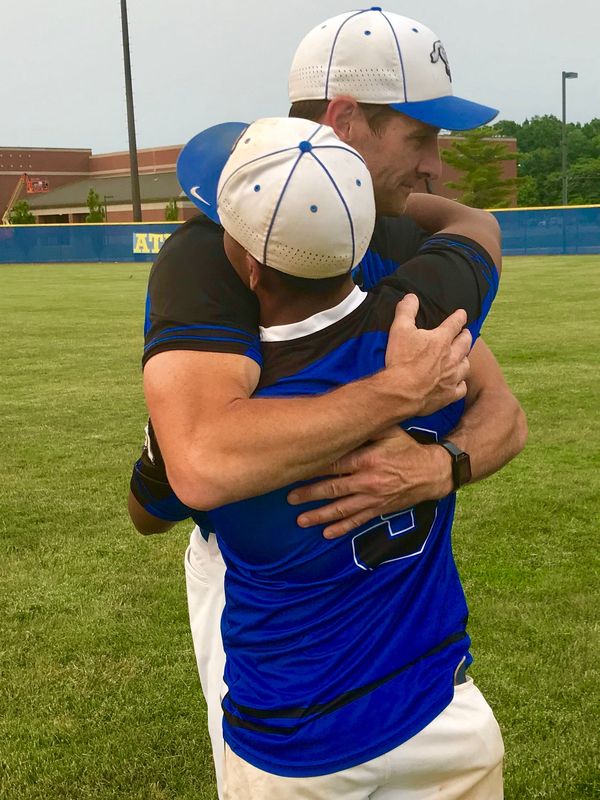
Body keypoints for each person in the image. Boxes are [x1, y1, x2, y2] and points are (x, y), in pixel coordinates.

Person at [132, 8, 526, 794]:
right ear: (344, 118)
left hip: (392, 677)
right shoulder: (206, 255)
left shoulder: (388, 235)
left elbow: (505, 416)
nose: (436, 168)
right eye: (420, 137)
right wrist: (396, 392)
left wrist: (442, 465)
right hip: (273, 603)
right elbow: (208, 461)